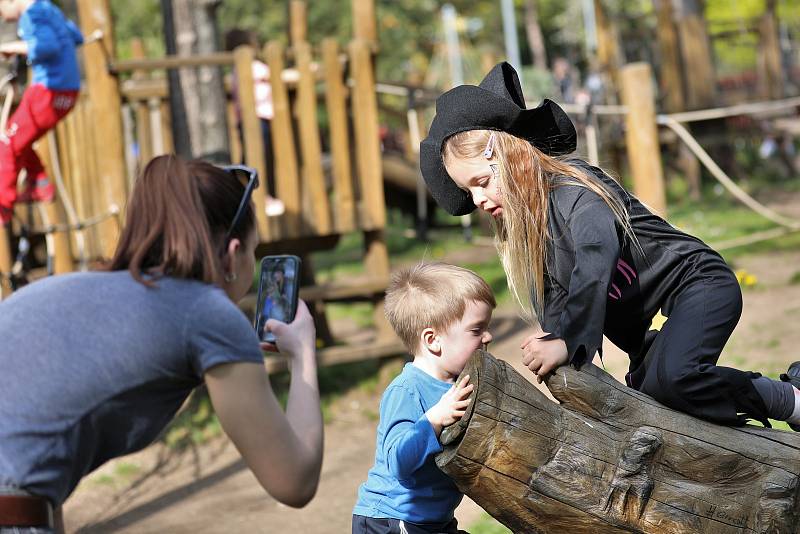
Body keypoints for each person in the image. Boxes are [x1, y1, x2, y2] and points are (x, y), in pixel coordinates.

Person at [420, 62, 800, 432]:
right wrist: (555, 341)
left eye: (482, 181)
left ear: (510, 157)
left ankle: (789, 398)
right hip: (651, 322)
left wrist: (569, 340)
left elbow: (595, 254)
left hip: (700, 284)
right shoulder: (536, 234)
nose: (479, 200)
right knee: (653, 394)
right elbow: (556, 297)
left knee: (676, 379)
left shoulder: (575, 191)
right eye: (469, 191)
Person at [0, 155, 324, 532]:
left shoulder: (56, 291)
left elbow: (32, 460)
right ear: (233, 255)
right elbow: (294, 481)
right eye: (253, 249)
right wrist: (303, 355)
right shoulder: (207, 313)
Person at [352, 262, 495, 534]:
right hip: (392, 520)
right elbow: (397, 461)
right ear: (433, 340)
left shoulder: (460, 383)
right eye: (476, 329)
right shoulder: (407, 390)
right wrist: (433, 420)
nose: (487, 336)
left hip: (433, 520)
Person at [0, 0, 83, 225]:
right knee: (20, 140)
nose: (4, 17)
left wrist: (13, 47)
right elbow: (76, 36)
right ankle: (40, 184)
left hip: (47, 92)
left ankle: (3, 205)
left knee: (6, 142)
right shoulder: (49, 9)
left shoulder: (32, 15)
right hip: (69, 94)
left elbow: (48, 47)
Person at [223, 27, 285, 218]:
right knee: (261, 158)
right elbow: (277, 76)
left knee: (249, 159)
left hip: (247, 121)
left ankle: (247, 194)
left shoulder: (235, 70)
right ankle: (263, 196)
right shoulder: (254, 67)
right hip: (259, 118)